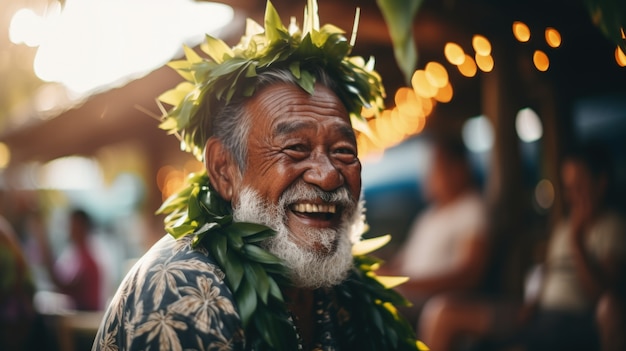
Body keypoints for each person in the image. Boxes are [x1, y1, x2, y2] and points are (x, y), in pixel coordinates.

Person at [92, 1, 421, 350]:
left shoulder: (344, 293)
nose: (328, 177)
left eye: (343, 151)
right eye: (295, 148)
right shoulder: (182, 287)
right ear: (224, 170)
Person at [417, 141, 626, 351]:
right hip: (539, 314)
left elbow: (600, 294)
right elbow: (547, 271)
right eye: (569, 188)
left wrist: (577, 240)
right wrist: (532, 300)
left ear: (601, 183)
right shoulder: (564, 228)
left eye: (581, 186)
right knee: (448, 315)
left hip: (567, 319)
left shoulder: (613, 227)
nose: (573, 196)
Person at [387, 135, 489, 329]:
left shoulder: (471, 209)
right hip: (410, 296)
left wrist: (406, 283)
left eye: (435, 167)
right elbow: (403, 262)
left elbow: (469, 274)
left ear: (458, 169)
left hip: (431, 302)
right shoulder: (429, 216)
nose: (428, 176)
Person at [35, 208, 102, 311]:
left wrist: (44, 244)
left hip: (84, 319)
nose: (69, 228)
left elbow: (65, 286)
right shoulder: (79, 256)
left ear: (81, 227)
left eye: (72, 224)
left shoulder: (87, 260)